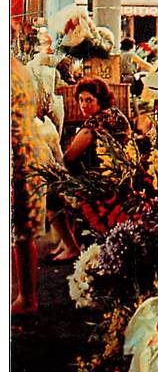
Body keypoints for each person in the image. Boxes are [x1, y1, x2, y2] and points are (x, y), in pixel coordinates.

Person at [46, 77, 133, 262]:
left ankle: (71, 247)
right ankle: (67, 242)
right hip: (121, 175)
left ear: (100, 100)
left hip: (106, 182)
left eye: (89, 100)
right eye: (81, 100)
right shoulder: (113, 113)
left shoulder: (96, 123)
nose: (83, 105)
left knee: (52, 196)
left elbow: (69, 157)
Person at [11, 57, 45, 314]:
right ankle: (23, 294)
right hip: (28, 146)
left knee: (21, 230)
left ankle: (27, 297)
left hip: (18, 152)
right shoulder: (17, 67)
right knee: (22, 232)